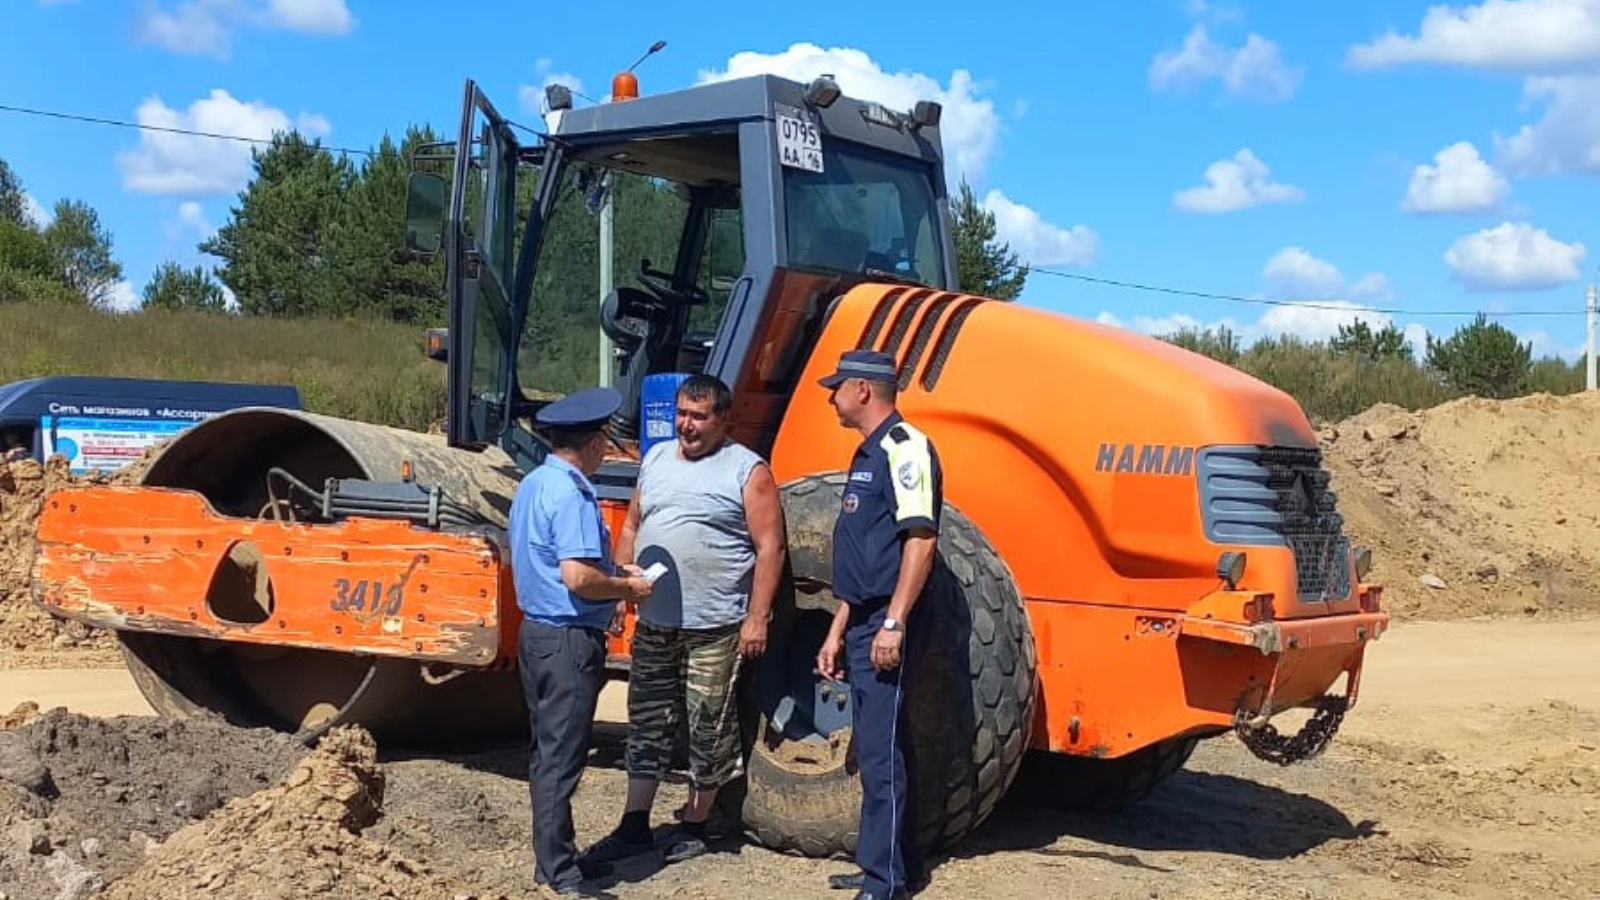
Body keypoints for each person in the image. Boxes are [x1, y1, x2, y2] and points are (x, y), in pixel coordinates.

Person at [582, 374, 786, 866]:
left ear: (722, 420)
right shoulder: (654, 461)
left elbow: (769, 547)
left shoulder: (747, 471)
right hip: (656, 622)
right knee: (648, 720)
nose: (686, 425)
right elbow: (632, 523)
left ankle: (696, 824)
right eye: (681, 414)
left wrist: (757, 618)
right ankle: (634, 824)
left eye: (698, 416)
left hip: (714, 625)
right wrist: (618, 588)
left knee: (707, 725)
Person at [509, 387, 654, 898]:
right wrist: (627, 587)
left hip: (540, 634)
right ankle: (558, 873)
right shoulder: (572, 492)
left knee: (548, 748)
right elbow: (577, 578)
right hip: (568, 637)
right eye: (605, 443)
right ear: (594, 443)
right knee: (561, 756)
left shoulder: (534, 483)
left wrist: (614, 571)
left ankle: (554, 857)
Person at [814, 350, 942, 900]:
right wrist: (839, 626)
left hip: (887, 622)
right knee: (876, 747)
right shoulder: (866, 452)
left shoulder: (904, 448)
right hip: (864, 618)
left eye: (837, 386)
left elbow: (921, 539)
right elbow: (867, 556)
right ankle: (886, 865)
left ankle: (884, 882)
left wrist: (892, 622)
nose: (830, 395)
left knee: (880, 752)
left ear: (864, 390)